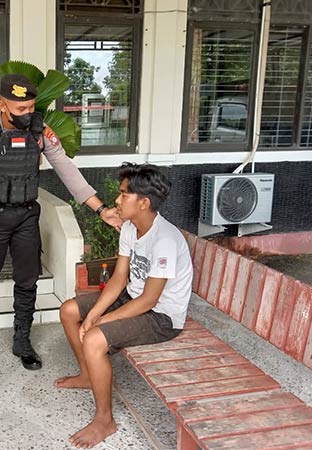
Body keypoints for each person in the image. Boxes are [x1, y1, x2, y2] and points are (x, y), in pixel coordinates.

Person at [0, 73, 122, 372]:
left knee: (27, 281)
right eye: (21, 109)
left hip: (26, 217)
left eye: (31, 108)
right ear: (2, 105)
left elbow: (67, 169)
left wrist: (101, 209)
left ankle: (22, 340)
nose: (28, 114)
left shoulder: (41, 132)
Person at [56, 163, 193, 449]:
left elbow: (150, 300)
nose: (117, 201)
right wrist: (94, 313)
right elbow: (119, 278)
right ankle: (86, 374)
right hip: (132, 297)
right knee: (70, 310)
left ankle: (105, 420)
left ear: (143, 203)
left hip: (161, 317)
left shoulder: (165, 239)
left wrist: (103, 322)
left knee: (94, 339)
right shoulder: (131, 227)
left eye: (123, 195)